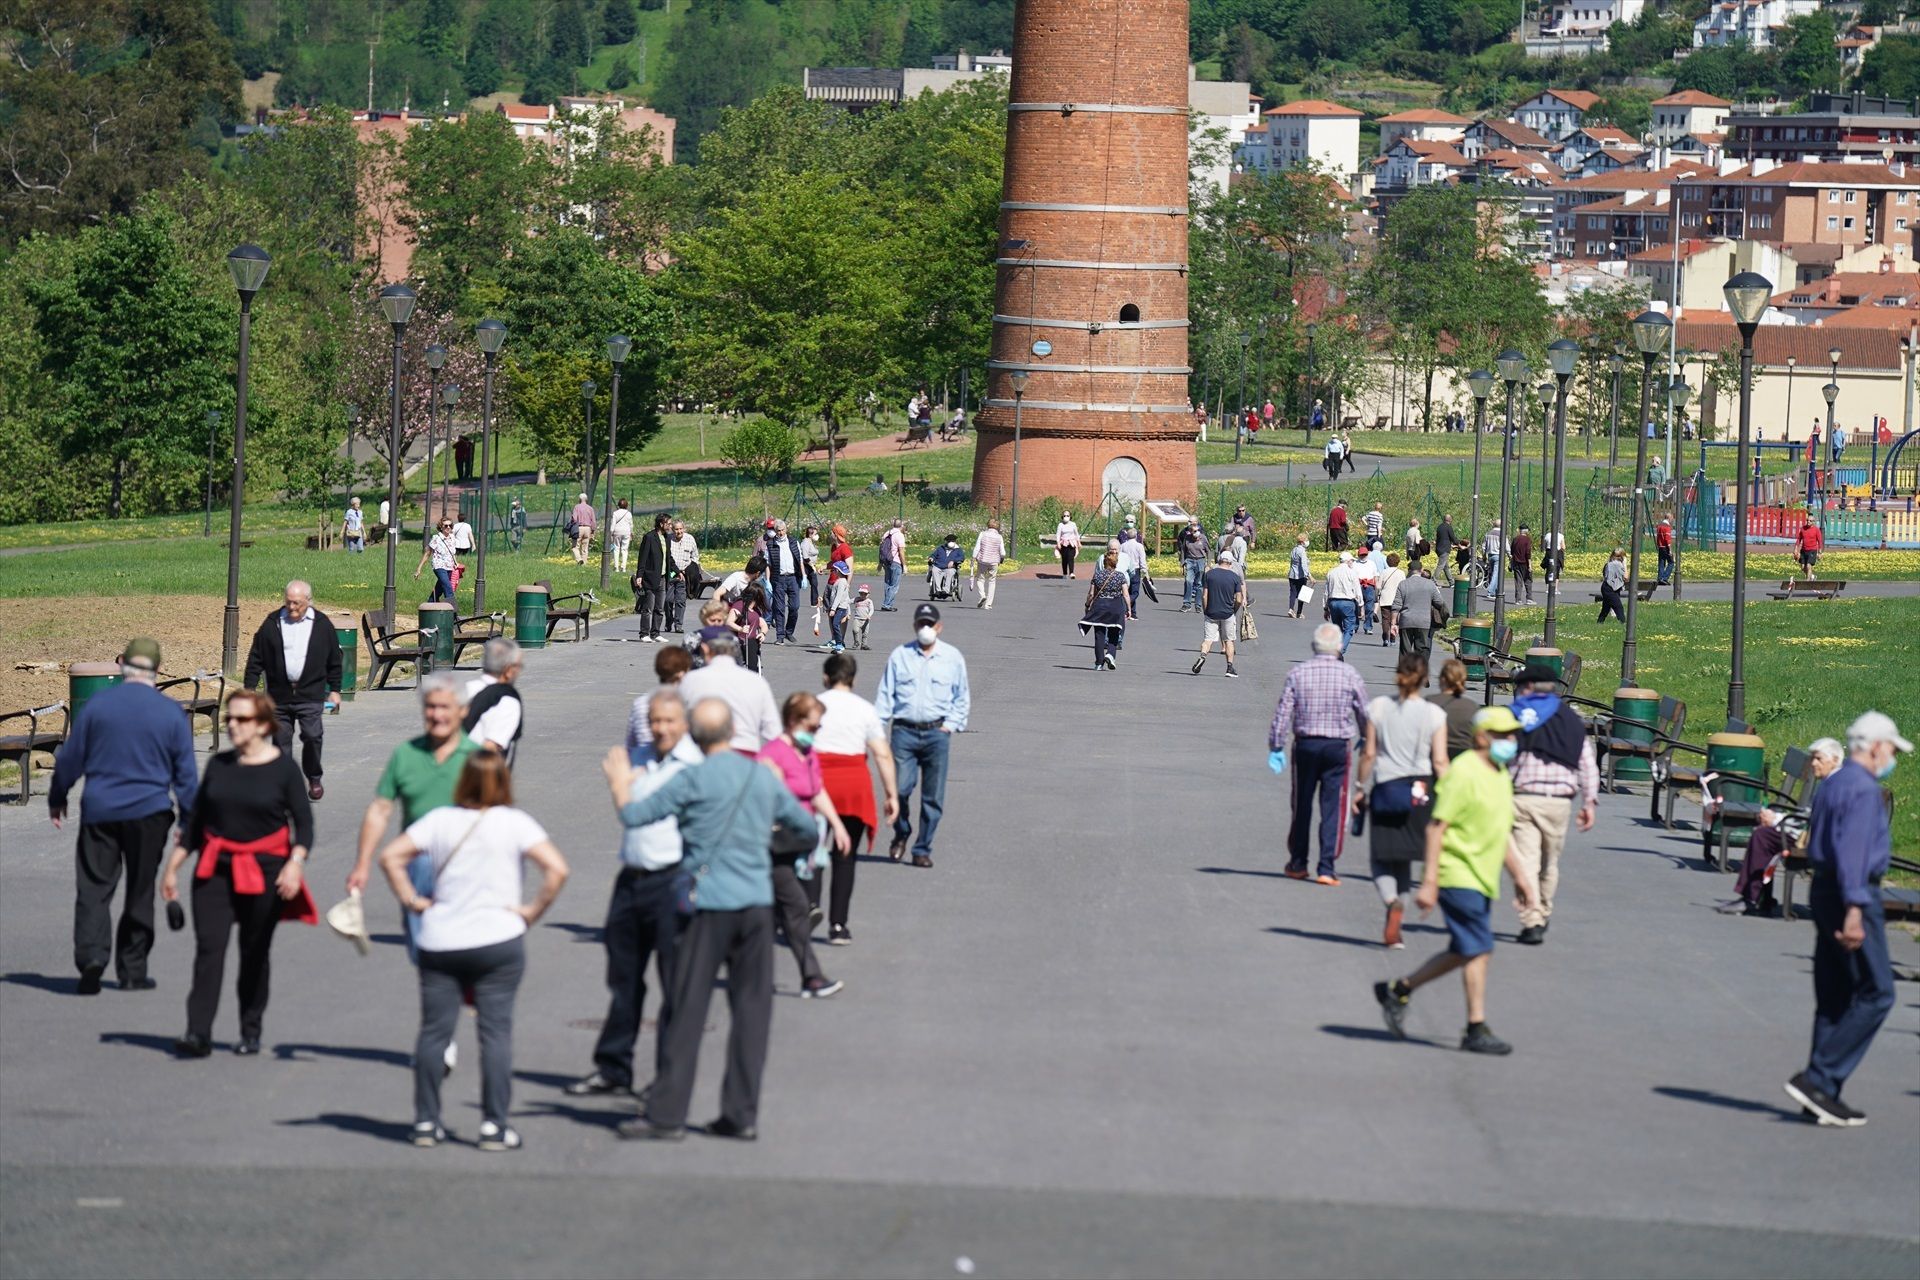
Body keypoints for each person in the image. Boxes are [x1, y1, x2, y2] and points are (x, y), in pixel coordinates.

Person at [614, 699, 817, 1142]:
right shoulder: (761, 777)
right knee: (751, 1012)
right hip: (756, 903)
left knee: (688, 1009)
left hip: (706, 904)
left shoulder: (691, 778)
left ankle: (668, 1114)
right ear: (731, 732)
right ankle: (741, 1113)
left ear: (693, 733)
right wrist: (770, 845)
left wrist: (619, 783)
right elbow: (807, 829)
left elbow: (634, 816)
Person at [380, 750, 569, 1151]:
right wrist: (531, 911)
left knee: (434, 1033)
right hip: (498, 939)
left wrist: (413, 900)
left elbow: (391, 856)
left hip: (441, 939)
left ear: (462, 781)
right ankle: (493, 1126)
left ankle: (426, 1122)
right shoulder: (515, 823)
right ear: (504, 782)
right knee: (495, 1034)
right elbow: (557, 869)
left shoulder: (439, 821)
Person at [1374, 705, 1539, 1055]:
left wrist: (1521, 876)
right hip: (1457, 874)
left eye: (1514, 735)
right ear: (1482, 737)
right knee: (1480, 948)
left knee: (1464, 948)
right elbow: (1436, 827)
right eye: (1503, 735)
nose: (1511, 741)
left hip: (1483, 877)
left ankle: (1399, 989)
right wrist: (1431, 881)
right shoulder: (1463, 772)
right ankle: (1475, 1027)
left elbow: (1501, 831)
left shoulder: (1500, 773)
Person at [161, 689, 315, 1057]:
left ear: (263, 725)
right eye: (229, 718)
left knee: (254, 951)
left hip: (265, 873)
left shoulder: (284, 769)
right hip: (214, 870)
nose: (232, 724)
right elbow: (197, 824)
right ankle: (198, 1033)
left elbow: (304, 827)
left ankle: (250, 1029)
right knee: (209, 950)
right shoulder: (219, 765)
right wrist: (172, 869)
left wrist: (294, 864)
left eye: (241, 719)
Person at [569, 689, 701, 1102]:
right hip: (632, 879)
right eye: (655, 720)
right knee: (623, 977)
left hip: (674, 881)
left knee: (674, 983)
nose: (660, 728)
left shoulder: (695, 767)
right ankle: (613, 1067)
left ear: (684, 723)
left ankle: (667, 1077)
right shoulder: (638, 757)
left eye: (668, 721)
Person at [49, 637, 199, 995]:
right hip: (150, 811)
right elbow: (186, 774)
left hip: (100, 810)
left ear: (122, 666)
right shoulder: (170, 712)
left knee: (94, 887)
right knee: (140, 888)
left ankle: (91, 959)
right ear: (158, 670)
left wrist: (58, 796)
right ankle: (132, 970)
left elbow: (71, 759)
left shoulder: (99, 706)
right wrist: (188, 820)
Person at [1784, 712, 1909, 1127]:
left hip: (1823, 888)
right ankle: (1818, 1078)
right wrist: (1856, 909)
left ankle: (1821, 1096)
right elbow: (1854, 852)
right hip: (1851, 893)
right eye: (1891, 748)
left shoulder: (1834, 785)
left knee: (1835, 993)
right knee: (1877, 991)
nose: (1891, 756)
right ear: (1875, 746)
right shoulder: (1861, 789)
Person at [345, 674, 480, 898]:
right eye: (430, 707)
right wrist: (362, 864)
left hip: (466, 863)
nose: (437, 715)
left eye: (445, 707)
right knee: (420, 930)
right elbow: (380, 810)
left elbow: (499, 818)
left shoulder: (479, 759)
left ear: (463, 710)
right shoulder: (406, 754)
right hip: (417, 862)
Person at [758, 693, 851, 998]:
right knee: (796, 908)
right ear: (793, 721)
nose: (816, 732)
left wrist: (837, 825)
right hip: (774, 846)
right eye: (813, 726)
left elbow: (817, 790)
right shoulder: (772, 755)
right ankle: (810, 977)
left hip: (800, 846)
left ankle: (756, 975)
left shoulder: (807, 753)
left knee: (773, 914)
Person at [1355, 654, 1450, 949]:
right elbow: (1440, 760)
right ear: (1424, 680)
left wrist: (1360, 786)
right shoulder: (1434, 714)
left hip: (1387, 786)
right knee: (1405, 860)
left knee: (1381, 856)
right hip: (1420, 788)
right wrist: (1450, 794)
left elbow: (1369, 753)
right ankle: (1399, 919)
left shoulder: (1379, 708)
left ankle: (1391, 900)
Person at [1269, 623, 1370, 885]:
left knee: (1301, 804)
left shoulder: (1298, 673)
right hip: (1337, 746)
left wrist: (1276, 745)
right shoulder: (1350, 674)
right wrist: (1366, 736)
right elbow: (1363, 711)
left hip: (1306, 744)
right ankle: (1326, 866)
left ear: (1314, 646)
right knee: (1333, 805)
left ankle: (1298, 862)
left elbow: (1283, 712)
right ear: (1338, 647)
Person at [1508, 663, 1599, 946]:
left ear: (1527, 687)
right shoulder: (1571, 719)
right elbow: (1587, 762)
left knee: (1526, 862)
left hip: (1523, 797)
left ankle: (1533, 917)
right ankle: (1541, 912)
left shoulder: (1518, 715)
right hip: (1559, 803)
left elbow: (1502, 754)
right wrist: (1590, 802)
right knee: (1550, 863)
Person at [876, 603, 969, 868]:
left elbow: (961, 697)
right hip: (904, 732)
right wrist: (876, 731)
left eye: (930, 624)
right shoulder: (900, 656)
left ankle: (922, 848)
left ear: (939, 627)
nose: (925, 629)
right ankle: (902, 832)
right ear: (914, 626)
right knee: (900, 789)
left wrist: (950, 725)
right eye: (921, 624)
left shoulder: (952, 658)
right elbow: (886, 694)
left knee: (933, 796)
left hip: (936, 734)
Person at [815, 654, 899, 945]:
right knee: (845, 855)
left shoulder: (813, 704)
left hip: (818, 782)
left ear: (826, 677)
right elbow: (882, 753)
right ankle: (838, 925)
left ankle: (809, 906)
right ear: (854, 679)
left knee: (812, 848)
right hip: (853, 784)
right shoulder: (865, 710)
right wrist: (891, 794)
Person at [243, 579, 344, 801]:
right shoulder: (272, 622)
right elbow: (256, 657)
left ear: (308, 601)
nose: (292, 608)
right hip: (278, 696)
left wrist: (335, 689)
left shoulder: (322, 624)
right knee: (280, 742)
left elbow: (334, 660)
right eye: (288, 603)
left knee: (312, 736)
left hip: (310, 693)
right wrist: (249, 689)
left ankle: (314, 776)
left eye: (297, 603)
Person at [1719, 740, 1843, 917]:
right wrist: (1778, 820)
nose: (1814, 763)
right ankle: (1759, 897)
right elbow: (1810, 814)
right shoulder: (1830, 781)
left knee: (1763, 836)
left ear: (1835, 759)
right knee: (1765, 833)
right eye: (1813, 758)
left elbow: (1814, 818)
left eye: (1819, 759)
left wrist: (1777, 819)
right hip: (1816, 834)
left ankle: (1750, 899)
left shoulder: (1834, 785)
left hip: (1821, 840)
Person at [679, 631, 781, 754]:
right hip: (745, 750)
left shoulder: (692, 679)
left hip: (703, 750)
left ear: (706, 650)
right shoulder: (757, 681)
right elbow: (773, 731)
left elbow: (680, 720)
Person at [626, 644, 693, 764]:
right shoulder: (687, 702)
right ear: (682, 673)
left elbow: (631, 744)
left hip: (644, 764)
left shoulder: (641, 703)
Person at [463, 637, 526, 765]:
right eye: (519, 666)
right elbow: (490, 749)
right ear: (509, 670)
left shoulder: (464, 689)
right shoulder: (507, 700)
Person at [1191, 551, 1243, 678]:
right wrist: (1234, 610)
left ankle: (1202, 656)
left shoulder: (1209, 575)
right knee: (1228, 640)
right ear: (1230, 563)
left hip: (1211, 612)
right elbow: (1239, 599)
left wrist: (1206, 609)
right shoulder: (1234, 577)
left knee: (1208, 639)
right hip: (1227, 612)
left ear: (1219, 560)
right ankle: (1229, 667)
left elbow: (1204, 595)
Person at [1079, 545, 1130, 671]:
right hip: (1116, 607)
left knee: (1099, 635)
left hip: (1099, 607)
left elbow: (1091, 593)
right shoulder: (1120, 576)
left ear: (1104, 563)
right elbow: (1126, 594)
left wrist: (1087, 605)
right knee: (1114, 632)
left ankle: (1099, 663)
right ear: (1115, 563)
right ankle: (1110, 654)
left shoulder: (1097, 576)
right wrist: (1129, 609)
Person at [760, 519, 803, 645]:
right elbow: (768, 564)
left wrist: (804, 576)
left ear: (786, 530)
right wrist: (767, 581)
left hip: (793, 578)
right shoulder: (770, 544)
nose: (780, 533)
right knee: (779, 608)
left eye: (782, 530)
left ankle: (789, 631)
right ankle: (780, 636)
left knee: (794, 607)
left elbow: (799, 559)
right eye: (778, 531)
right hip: (778, 579)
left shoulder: (794, 542)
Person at [631, 513, 671, 642]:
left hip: (663, 577)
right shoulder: (649, 537)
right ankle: (644, 634)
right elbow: (642, 558)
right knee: (648, 607)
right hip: (650, 577)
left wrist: (677, 571)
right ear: (661, 524)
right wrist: (639, 575)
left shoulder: (666, 538)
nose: (670, 526)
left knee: (659, 608)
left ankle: (656, 633)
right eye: (668, 523)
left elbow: (668, 558)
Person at [1432, 659, 1479, 759]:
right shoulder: (1472, 706)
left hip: (1433, 755)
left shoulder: (1429, 703)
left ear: (1442, 679)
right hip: (1463, 759)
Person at [1395, 565, 1441, 663]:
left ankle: (1405, 674)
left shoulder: (1403, 584)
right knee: (1421, 650)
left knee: (1405, 650)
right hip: (1424, 621)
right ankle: (1421, 674)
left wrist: (1393, 623)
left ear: (1409, 570)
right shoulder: (1430, 584)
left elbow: (1396, 605)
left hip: (1406, 620)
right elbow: (1439, 602)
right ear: (1421, 570)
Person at [1323, 551, 1363, 656]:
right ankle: (1340, 650)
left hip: (1333, 602)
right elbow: (1357, 591)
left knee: (1337, 628)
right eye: (1352, 561)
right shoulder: (1352, 573)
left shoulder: (1331, 572)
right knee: (1349, 628)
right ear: (1348, 561)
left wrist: (1326, 608)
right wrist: (1361, 606)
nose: (1352, 563)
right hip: (1347, 602)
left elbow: (1326, 592)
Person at [415, 517, 459, 603]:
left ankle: (430, 603)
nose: (448, 527)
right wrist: (419, 569)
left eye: (450, 525)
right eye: (446, 526)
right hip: (439, 566)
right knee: (447, 587)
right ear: (441, 527)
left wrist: (456, 563)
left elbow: (452, 552)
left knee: (439, 589)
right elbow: (427, 553)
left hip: (449, 566)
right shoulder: (436, 538)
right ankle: (453, 612)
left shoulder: (452, 538)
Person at [666, 519, 699, 633]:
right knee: (668, 600)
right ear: (672, 530)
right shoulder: (668, 539)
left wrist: (689, 569)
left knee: (680, 600)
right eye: (676, 529)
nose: (679, 531)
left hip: (684, 573)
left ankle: (678, 624)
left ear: (683, 529)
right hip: (671, 572)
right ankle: (669, 621)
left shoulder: (690, 539)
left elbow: (695, 557)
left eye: (680, 529)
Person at [971, 517, 1005, 610]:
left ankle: (982, 595)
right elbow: (1003, 552)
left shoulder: (983, 534)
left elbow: (977, 547)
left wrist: (973, 558)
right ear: (998, 527)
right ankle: (988, 604)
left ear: (988, 525)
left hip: (983, 560)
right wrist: (1001, 559)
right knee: (992, 581)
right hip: (994, 562)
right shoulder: (999, 537)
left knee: (980, 579)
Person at [1178, 517, 1210, 611]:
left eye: (1197, 530)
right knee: (1188, 581)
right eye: (1193, 531)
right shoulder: (1187, 538)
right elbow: (1183, 551)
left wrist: (1208, 564)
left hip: (1200, 560)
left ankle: (1198, 605)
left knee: (1199, 584)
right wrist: (1182, 563)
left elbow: (1209, 551)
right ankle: (1186, 604)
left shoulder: (1203, 538)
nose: (1195, 532)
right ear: (1190, 532)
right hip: (1190, 561)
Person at [1377, 552, 1406, 648]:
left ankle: (1385, 637)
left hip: (1385, 597)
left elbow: (1378, 586)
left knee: (1385, 619)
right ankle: (1393, 639)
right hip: (1397, 598)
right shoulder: (1401, 573)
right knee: (1396, 620)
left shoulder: (1384, 572)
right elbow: (1404, 586)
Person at [878, 519, 907, 611]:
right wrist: (904, 565)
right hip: (895, 561)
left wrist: (880, 562)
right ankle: (887, 604)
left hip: (886, 561)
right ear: (901, 526)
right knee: (894, 585)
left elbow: (881, 548)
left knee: (888, 583)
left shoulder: (887, 533)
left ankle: (887, 603)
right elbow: (901, 552)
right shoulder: (900, 535)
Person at [1354, 544, 1380, 637]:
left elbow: (1375, 576)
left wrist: (1377, 588)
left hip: (1369, 586)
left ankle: (1368, 627)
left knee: (1369, 608)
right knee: (1356, 607)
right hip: (1358, 585)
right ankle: (1354, 626)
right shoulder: (1355, 564)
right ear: (1358, 555)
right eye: (1361, 555)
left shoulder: (1371, 563)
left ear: (1367, 554)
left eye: (1365, 555)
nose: (1363, 557)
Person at [1597, 547, 1628, 623]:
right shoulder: (1617, 564)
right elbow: (1626, 577)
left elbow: (1605, 574)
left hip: (1608, 587)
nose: (1617, 558)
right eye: (1616, 556)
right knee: (1618, 607)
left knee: (1606, 608)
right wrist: (1625, 565)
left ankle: (1599, 622)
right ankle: (1623, 623)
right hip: (1610, 589)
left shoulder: (1608, 564)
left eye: (1619, 556)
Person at [1287, 533, 1314, 619]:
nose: (1307, 542)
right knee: (1303, 593)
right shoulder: (1302, 551)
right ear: (1302, 542)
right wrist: (1309, 576)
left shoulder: (1294, 549)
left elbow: (1291, 562)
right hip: (1301, 575)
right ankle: (1299, 612)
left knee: (1293, 592)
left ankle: (1291, 609)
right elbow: (1304, 565)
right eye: (1306, 540)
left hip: (1292, 574)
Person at [1508, 524, 1534, 605]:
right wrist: (1530, 564)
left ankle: (1518, 599)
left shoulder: (1515, 539)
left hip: (1516, 562)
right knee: (1528, 580)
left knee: (1518, 582)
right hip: (1525, 563)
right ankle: (1529, 598)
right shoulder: (1527, 539)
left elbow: (1512, 551)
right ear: (1526, 531)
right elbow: (1528, 553)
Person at [609, 498, 634, 574]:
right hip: (626, 532)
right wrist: (631, 533)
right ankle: (623, 567)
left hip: (617, 532)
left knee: (616, 549)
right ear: (626, 505)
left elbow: (613, 524)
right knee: (624, 550)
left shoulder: (615, 513)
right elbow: (631, 525)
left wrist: (611, 532)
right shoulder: (628, 513)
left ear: (619, 505)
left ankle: (616, 567)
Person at [570, 493, 596, 565]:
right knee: (585, 547)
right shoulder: (590, 508)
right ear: (586, 500)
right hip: (588, 528)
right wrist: (593, 531)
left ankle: (579, 560)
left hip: (579, 528)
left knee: (575, 546)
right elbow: (593, 521)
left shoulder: (577, 507)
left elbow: (574, 519)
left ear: (579, 499)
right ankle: (584, 564)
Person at [1056, 511, 1082, 580]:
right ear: (1062, 517)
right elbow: (1058, 534)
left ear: (1070, 517)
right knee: (1064, 559)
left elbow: (1076, 534)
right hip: (1063, 544)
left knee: (1071, 558)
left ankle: (1071, 573)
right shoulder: (1060, 525)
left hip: (1072, 543)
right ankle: (1064, 573)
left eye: (1067, 515)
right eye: (1064, 516)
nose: (1066, 517)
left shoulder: (1073, 524)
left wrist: (1078, 542)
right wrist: (1058, 543)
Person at [849, 584, 874, 650]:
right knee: (855, 630)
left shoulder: (869, 601)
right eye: (861, 594)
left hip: (865, 620)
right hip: (857, 619)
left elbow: (872, 609)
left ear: (868, 594)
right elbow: (848, 601)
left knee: (865, 633)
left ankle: (864, 645)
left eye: (865, 594)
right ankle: (856, 642)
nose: (863, 595)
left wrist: (869, 615)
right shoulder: (857, 599)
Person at [1434, 513, 1455, 584]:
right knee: (1440, 566)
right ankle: (1433, 581)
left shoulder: (1439, 527)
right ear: (1450, 520)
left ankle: (1451, 582)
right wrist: (1459, 544)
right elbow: (1453, 538)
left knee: (1446, 566)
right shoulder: (1448, 527)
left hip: (1439, 548)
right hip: (1445, 549)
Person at [1655, 516, 1674, 586]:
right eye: (1672, 519)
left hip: (1660, 547)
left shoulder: (1659, 526)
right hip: (1666, 547)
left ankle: (1660, 578)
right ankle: (1664, 578)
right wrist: (1670, 550)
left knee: (1661, 562)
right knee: (1671, 562)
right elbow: (1667, 539)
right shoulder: (1667, 527)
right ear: (1669, 518)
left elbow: (1658, 537)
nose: (1672, 520)